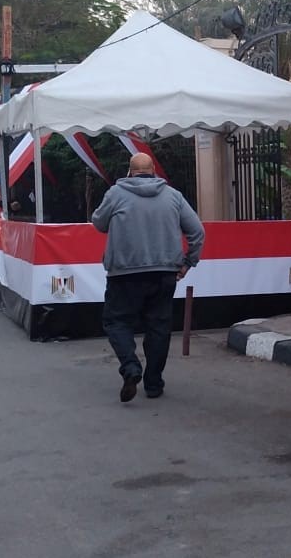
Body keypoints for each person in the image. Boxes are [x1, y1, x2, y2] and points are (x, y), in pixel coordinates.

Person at [92, 152, 205, 402]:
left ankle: (131, 367)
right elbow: (197, 231)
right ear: (154, 169)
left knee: (116, 322)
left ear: (130, 171)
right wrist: (188, 262)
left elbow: (98, 223)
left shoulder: (116, 194)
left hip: (124, 274)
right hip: (164, 273)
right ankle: (153, 384)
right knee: (158, 327)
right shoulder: (173, 196)